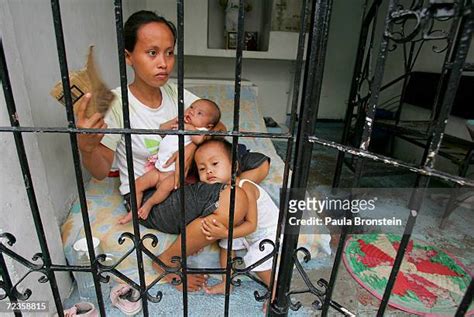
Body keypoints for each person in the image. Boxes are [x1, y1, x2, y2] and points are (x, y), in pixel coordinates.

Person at [75, 10, 270, 290]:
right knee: (236, 201)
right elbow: (100, 169)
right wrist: (87, 147)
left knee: (238, 152)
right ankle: (166, 259)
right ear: (129, 56)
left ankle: (225, 194)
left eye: (169, 53)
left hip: (184, 179)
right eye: (152, 53)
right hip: (151, 194)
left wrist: (193, 147)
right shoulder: (116, 103)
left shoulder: (175, 94)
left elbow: (219, 125)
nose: (163, 63)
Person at [117, 99, 221, 225]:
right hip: (158, 169)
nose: (192, 112)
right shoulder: (181, 122)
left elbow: (199, 141)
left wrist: (189, 128)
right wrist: (177, 120)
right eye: (191, 107)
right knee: (137, 184)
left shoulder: (201, 131)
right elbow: (162, 129)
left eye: (199, 113)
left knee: (164, 190)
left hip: (172, 174)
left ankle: (149, 204)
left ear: (209, 125)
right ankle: (133, 210)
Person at [198, 140, 279, 295]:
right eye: (202, 168)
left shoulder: (246, 186)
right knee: (225, 246)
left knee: (255, 260)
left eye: (215, 164)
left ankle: (275, 289)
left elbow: (252, 225)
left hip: (267, 231)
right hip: (244, 231)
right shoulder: (219, 193)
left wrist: (223, 233)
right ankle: (226, 283)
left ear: (234, 167)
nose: (208, 171)